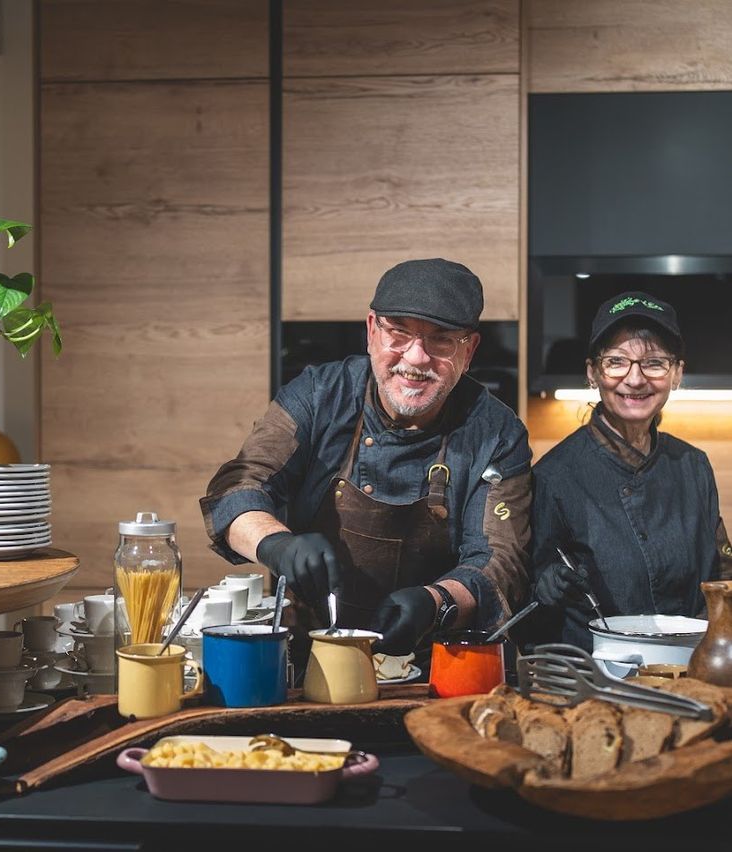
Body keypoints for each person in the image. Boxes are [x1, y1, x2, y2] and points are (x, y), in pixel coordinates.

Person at [200, 258, 532, 678]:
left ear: (470, 350)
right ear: (372, 330)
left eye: (441, 340)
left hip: (437, 668)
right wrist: (276, 545)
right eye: (399, 332)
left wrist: (436, 601)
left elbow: (502, 559)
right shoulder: (320, 395)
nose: (416, 357)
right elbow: (239, 485)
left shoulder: (497, 433)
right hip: (306, 660)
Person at [523, 291, 732, 652]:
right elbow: (525, 610)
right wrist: (545, 588)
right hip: (594, 677)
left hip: (690, 672)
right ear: (593, 372)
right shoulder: (554, 476)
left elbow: (720, 578)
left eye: (654, 363)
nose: (635, 380)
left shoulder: (692, 465)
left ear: (677, 373)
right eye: (616, 361)